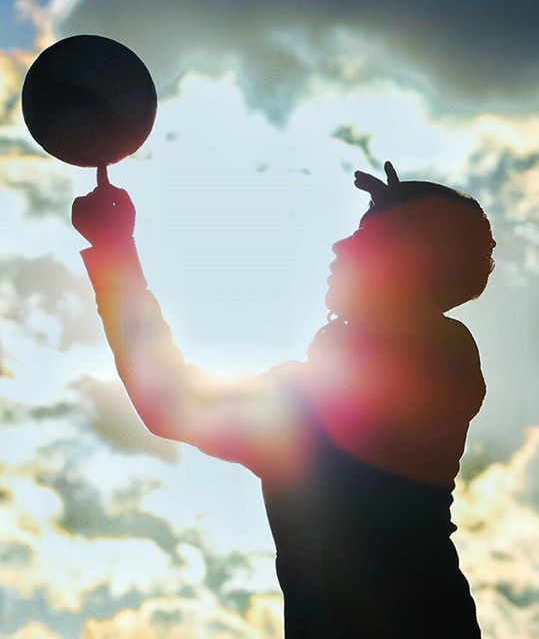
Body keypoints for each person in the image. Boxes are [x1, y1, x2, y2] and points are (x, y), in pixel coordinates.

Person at [73, 161, 495, 638]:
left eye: (364, 236)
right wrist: (112, 252)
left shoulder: (438, 362)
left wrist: (115, 253)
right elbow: (168, 399)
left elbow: (170, 400)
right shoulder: (303, 400)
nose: (341, 246)